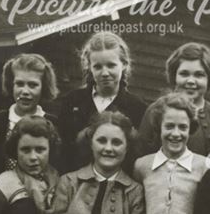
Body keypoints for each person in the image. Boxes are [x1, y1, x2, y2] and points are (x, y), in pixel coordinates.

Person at [133, 92, 209, 214]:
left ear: (190, 129)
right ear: (159, 127)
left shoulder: (205, 165)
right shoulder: (142, 165)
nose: (176, 134)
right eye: (169, 126)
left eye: (182, 127)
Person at [57, 31, 147, 173]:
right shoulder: (72, 101)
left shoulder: (137, 107)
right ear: (89, 67)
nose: (105, 73)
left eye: (111, 65)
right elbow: (62, 149)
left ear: (123, 64)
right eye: (98, 67)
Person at [137, 42, 210, 157]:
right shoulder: (156, 110)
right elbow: (140, 154)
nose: (191, 81)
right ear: (174, 76)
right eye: (184, 74)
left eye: (199, 75)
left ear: (209, 78)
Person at [0, 53, 59, 176]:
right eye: (19, 84)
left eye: (33, 85)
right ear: (11, 84)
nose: (25, 91)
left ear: (43, 87)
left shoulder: (54, 124)